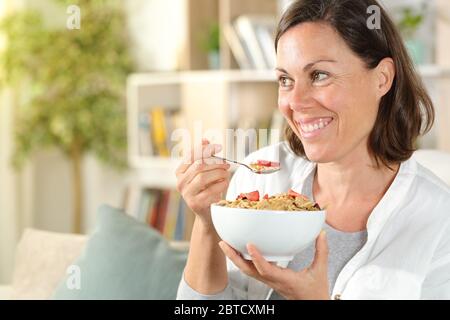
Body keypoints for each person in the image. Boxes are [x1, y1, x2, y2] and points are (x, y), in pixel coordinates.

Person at [175, 0, 450, 300]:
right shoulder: (257, 179)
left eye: (319, 75)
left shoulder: (439, 220)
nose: (296, 102)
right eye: (285, 80)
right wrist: (207, 222)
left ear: (382, 78)